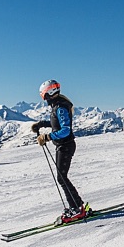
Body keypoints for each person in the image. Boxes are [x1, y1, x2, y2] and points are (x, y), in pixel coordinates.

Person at [32, 80, 88, 223]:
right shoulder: (58, 105)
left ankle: (77, 209)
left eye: (43, 95)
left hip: (66, 145)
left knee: (61, 178)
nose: (43, 98)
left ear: (48, 94)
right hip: (63, 145)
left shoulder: (60, 107)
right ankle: (78, 206)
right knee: (62, 177)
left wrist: (48, 136)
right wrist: (42, 124)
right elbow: (55, 123)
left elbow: (65, 130)